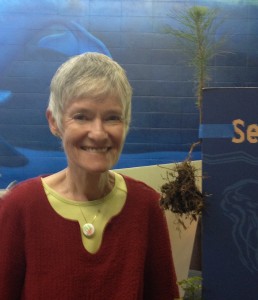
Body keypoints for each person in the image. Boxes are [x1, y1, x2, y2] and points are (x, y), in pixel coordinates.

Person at [0, 52, 180, 299]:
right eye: (81, 116)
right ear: (54, 122)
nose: (98, 133)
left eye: (112, 117)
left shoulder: (146, 206)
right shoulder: (19, 207)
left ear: (126, 123)